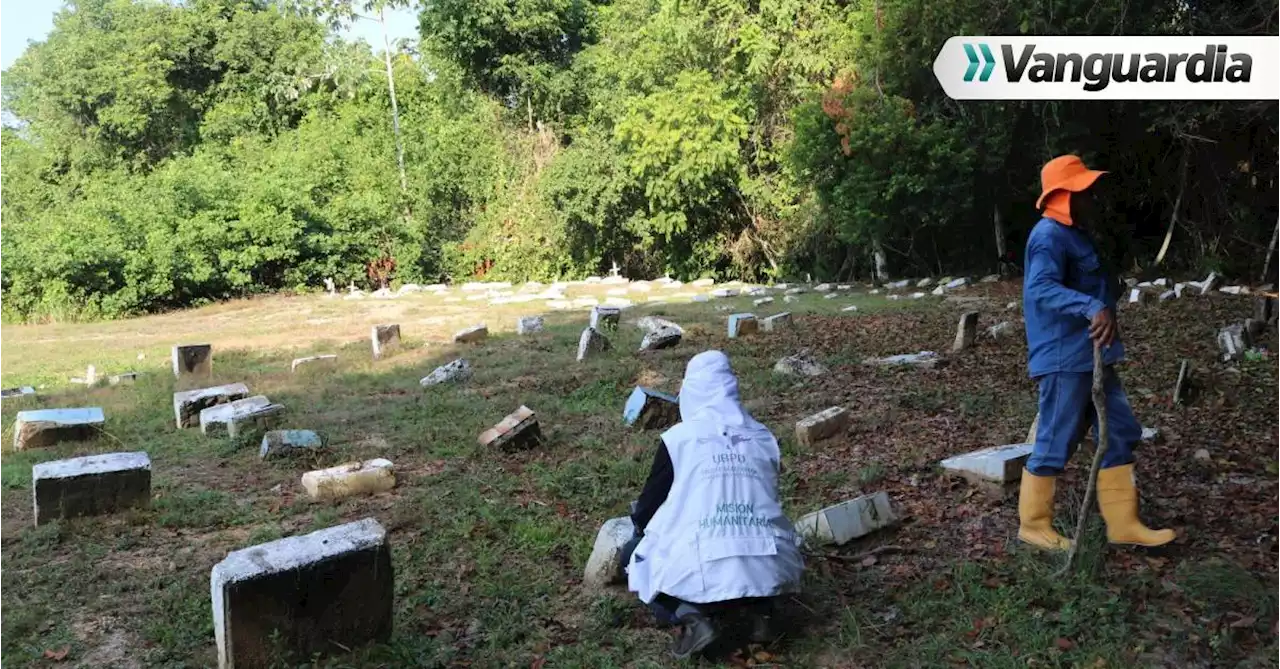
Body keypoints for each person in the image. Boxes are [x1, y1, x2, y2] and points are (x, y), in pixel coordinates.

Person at [1020, 154, 1176, 551]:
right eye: (1083, 190)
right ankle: (1034, 526)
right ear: (1062, 194)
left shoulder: (1079, 235)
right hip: (1064, 359)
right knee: (1056, 440)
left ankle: (1123, 524)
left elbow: (1094, 286)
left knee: (1120, 431)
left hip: (1094, 356)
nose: (1092, 196)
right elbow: (1040, 288)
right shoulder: (1048, 236)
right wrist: (1091, 306)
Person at [624, 350, 803, 659]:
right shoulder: (762, 436)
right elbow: (769, 496)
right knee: (758, 548)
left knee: (633, 554)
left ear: (690, 391)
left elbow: (648, 508)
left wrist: (642, 526)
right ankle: (762, 613)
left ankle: (691, 616)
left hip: (701, 565)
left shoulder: (679, 439)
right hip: (768, 565)